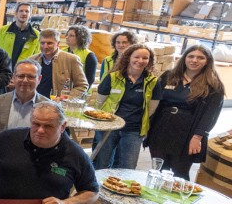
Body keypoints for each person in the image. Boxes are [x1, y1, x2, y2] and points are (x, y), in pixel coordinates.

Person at [146, 45, 225, 179]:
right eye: (191, 56)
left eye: (200, 57)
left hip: (188, 133)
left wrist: (198, 137)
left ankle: (177, 199)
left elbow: (210, 116)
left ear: (208, 61)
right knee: (158, 170)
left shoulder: (213, 85)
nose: (195, 60)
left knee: (180, 173)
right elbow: (155, 102)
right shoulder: (168, 76)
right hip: (161, 128)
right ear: (184, 58)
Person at [92, 44, 160, 170]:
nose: (140, 61)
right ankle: (98, 189)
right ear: (128, 57)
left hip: (133, 130)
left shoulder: (153, 82)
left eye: (145, 58)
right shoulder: (112, 77)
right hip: (109, 127)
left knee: (128, 167)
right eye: (137, 57)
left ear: (149, 60)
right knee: (102, 164)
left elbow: (151, 109)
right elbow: (100, 103)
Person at [0, 59, 50, 145]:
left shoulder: (48, 106)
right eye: (21, 76)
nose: (25, 80)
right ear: (14, 77)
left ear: (39, 79)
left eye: (30, 77)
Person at [28, 29, 88, 99]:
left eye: (49, 43)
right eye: (42, 43)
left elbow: (82, 85)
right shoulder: (32, 60)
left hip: (58, 106)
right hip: (34, 104)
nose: (45, 46)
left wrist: (66, 98)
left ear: (58, 43)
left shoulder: (71, 59)